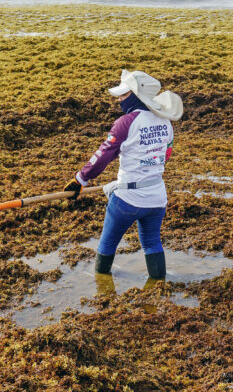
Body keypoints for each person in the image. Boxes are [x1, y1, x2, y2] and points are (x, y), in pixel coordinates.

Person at [62, 70, 182, 281]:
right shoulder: (166, 122)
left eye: (123, 95)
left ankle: (101, 287)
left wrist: (79, 180)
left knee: (107, 244)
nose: (118, 99)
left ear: (136, 96)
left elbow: (103, 155)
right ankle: (160, 289)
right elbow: (165, 156)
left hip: (127, 201)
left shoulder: (125, 123)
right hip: (157, 198)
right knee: (152, 243)